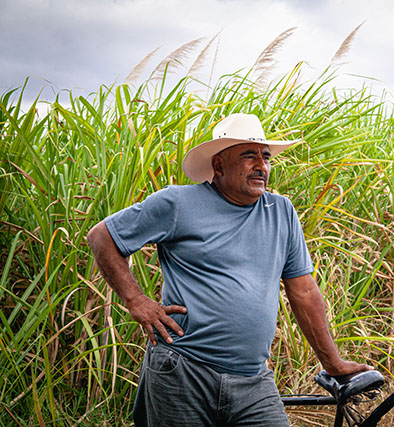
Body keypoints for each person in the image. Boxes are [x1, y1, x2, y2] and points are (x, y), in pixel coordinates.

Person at [87, 113, 371, 426]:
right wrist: (136, 300)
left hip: (253, 379)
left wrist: (332, 363)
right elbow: (103, 236)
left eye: (265, 157)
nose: (261, 166)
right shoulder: (178, 204)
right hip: (182, 371)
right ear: (219, 165)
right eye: (249, 156)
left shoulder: (281, 213)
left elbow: (303, 290)